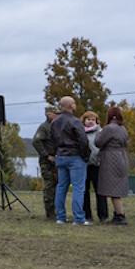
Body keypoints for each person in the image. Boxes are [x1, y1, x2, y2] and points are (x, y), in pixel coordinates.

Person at [51, 96, 91, 225]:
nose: (75, 105)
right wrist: (85, 155)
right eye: (73, 103)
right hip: (75, 156)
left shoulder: (54, 122)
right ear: (69, 105)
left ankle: (60, 217)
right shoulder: (75, 122)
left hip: (61, 156)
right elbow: (83, 140)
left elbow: (52, 140)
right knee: (78, 188)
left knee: (61, 187)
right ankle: (78, 217)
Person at [95, 106, 130, 225]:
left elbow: (99, 143)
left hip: (110, 158)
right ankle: (118, 214)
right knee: (117, 187)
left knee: (113, 189)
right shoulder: (123, 128)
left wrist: (98, 134)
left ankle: (120, 215)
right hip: (122, 157)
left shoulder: (109, 128)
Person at [31, 105, 60, 220]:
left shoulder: (56, 126)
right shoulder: (44, 127)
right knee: (49, 187)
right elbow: (36, 141)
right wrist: (46, 155)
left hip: (57, 161)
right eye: (56, 114)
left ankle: (57, 211)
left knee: (58, 187)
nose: (58, 116)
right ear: (49, 114)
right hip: (47, 163)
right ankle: (50, 213)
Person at [81, 111, 108, 223]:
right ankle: (87, 214)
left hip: (97, 165)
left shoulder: (101, 132)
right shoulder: (80, 133)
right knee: (84, 191)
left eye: (93, 119)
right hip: (84, 165)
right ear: (84, 121)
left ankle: (103, 215)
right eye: (88, 119)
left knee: (100, 191)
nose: (91, 121)